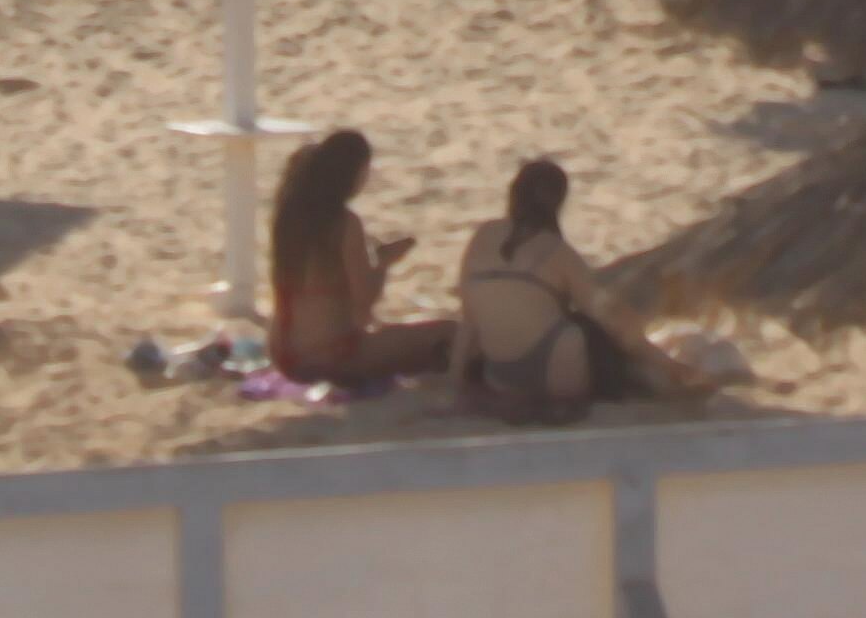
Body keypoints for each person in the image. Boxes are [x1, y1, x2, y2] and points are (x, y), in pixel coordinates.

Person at [456, 156, 711, 423]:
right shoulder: (560, 253)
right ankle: (663, 380)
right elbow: (611, 321)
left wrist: (456, 381)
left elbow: (469, 321)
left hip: (500, 376)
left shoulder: (482, 237)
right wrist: (667, 363)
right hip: (555, 372)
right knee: (594, 331)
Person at [265, 129, 456, 388]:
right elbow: (364, 299)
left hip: (283, 354)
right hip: (330, 355)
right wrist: (385, 262)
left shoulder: (289, 217)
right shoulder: (344, 223)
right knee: (449, 333)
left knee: (396, 337)